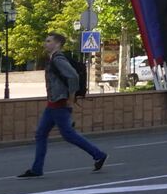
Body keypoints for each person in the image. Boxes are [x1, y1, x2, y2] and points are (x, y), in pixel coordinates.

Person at [19, 33, 106, 178]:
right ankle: (36, 169)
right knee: (41, 134)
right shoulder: (53, 58)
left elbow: (73, 76)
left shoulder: (58, 59)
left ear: (57, 44)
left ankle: (98, 154)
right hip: (53, 104)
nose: (45, 43)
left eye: (48, 41)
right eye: (45, 40)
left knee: (68, 135)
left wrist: (71, 98)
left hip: (59, 104)